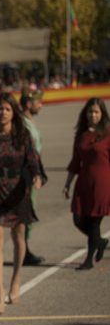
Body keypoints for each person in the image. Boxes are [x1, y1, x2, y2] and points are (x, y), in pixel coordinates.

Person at [0, 93, 42, 315]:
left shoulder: (23, 136)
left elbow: (33, 161)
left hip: (18, 190)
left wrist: (36, 177)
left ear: (13, 112)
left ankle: (16, 280)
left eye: (7, 109)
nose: (3, 113)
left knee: (18, 238)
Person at [63, 98, 110, 270]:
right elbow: (75, 161)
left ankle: (88, 260)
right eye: (90, 112)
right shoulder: (81, 135)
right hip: (84, 182)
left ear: (102, 114)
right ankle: (100, 241)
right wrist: (67, 184)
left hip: (103, 182)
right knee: (78, 219)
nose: (93, 115)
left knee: (94, 222)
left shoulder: (107, 133)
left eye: (97, 112)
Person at [20, 88, 46, 265]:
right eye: (38, 102)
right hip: (25, 175)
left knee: (29, 212)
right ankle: (23, 251)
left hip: (33, 173)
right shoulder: (22, 125)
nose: (41, 105)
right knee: (25, 214)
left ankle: (24, 249)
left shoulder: (29, 123)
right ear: (29, 103)